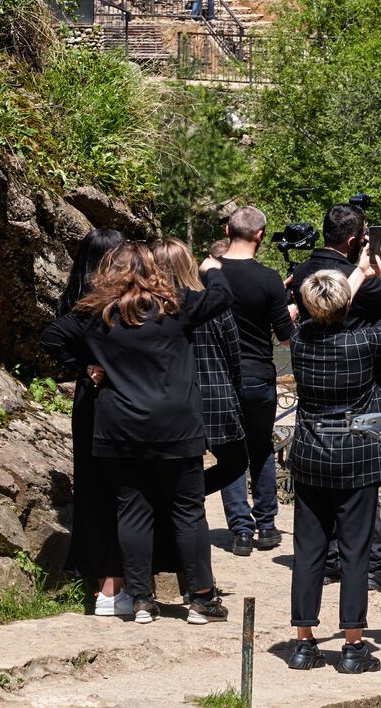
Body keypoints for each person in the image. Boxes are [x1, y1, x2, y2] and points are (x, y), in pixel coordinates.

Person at [40, 243, 232, 626]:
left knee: (132, 511)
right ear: (151, 269)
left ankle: (142, 600)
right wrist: (213, 268)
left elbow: (51, 338)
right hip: (177, 425)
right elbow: (222, 298)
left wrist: (85, 367)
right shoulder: (175, 305)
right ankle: (201, 598)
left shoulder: (95, 313)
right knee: (189, 512)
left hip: (119, 427)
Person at [286, 253, 381, 673]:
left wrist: (358, 272)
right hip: (355, 454)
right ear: (345, 307)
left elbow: (326, 308)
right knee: (356, 552)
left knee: (308, 551)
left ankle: (304, 645)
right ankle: (353, 648)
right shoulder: (362, 342)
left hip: (310, 454)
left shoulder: (300, 339)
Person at [57, 228, 129, 617]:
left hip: (87, 401)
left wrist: (81, 369)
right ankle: (112, 586)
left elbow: (56, 341)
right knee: (120, 491)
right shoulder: (109, 304)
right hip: (114, 400)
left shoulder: (72, 298)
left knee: (90, 490)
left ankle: (97, 579)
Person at [218, 206, 296, 556]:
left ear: (227, 230)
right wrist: (287, 310)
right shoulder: (268, 279)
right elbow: (285, 338)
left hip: (220, 376)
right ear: (260, 235)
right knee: (261, 448)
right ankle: (266, 526)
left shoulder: (209, 275)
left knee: (231, 452)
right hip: (258, 375)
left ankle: (240, 531)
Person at [151, 239, 248, 497]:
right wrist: (236, 394)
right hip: (216, 396)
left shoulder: (152, 311)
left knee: (175, 468)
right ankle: (189, 496)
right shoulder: (213, 305)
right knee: (236, 462)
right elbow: (233, 355)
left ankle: (175, 499)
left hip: (169, 400)